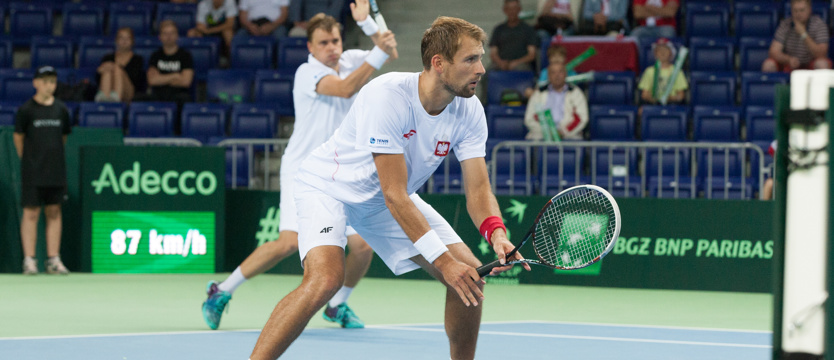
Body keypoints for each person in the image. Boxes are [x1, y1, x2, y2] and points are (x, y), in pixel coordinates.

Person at [249, 16, 526, 360]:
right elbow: (393, 192)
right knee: (325, 280)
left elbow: (478, 189)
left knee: (470, 277)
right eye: (471, 59)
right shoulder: (388, 95)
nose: (481, 68)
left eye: (480, 58)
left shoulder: (469, 110)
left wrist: (495, 233)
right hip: (330, 188)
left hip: (386, 200)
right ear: (439, 64)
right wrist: (443, 262)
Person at [201, 4, 398, 331]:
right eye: (323, 43)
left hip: (340, 171)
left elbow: (387, 48)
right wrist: (378, 48)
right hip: (303, 171)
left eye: (335, 40)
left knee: (363, 246)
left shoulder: (348, 60)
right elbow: (347, 87)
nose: (332, 48)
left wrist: (366, 23)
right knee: (288, 243)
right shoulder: (308, 73)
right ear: (310, 47)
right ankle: (221, 291)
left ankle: (337, 305)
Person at [13, 66, 72, 275]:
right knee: (31, 213)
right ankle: (29, 260)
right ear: (35, 83)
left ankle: (53, 260)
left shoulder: (61, 110)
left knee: (54, 211)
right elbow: (18, 138)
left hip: (56, 170)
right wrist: (30, 161)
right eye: (45, 81)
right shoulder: (26, 110)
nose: (49, 86)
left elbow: (63, 138)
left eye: (53, 82)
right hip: (33, 171)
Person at [523, 45, 588, 141]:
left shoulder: (575, 92)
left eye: (560, 72)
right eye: (553, 72)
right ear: (548, 75)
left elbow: (582, 118)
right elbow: (530, 118)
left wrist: (563, 132)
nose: (557, 76)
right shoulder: (539, 93)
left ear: (566, 73)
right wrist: (548, 132)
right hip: (542, 135)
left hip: (568, 136)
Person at [762, 0, 831, 72]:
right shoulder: (785, 24)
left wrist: (804, 34)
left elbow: (821, 54)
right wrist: (788, 59)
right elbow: (773, 52)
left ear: (810, 9)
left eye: (802, 10)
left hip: (811, 64)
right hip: (790, 64)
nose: (798, 14)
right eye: (795, 10)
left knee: (822, 64)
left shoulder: (819, 25)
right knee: (768, 65)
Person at [144, 20, 194, 110]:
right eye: (165, 33)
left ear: (177, 35)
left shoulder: (185, 55)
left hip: (178, 95)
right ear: (160, 37)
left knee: (184, 100)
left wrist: (161, 78)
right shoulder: (155, 55)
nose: (169, 36)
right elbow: (152, 80)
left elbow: (186, 81)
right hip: (158, 95)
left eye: (172, 33)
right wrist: (175, 76)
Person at [95, 27, 146, 103]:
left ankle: (116, 100)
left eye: (127, 38)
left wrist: (116, 68)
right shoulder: (107, 58)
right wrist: (99, 70)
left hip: (129, 91)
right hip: (109, 87)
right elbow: (98, 78)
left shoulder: (137, 59)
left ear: (132, 41)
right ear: (116, 40)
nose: (124, 41)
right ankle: (104, 100)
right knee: (107, 70)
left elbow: (136, 79)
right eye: (121, 38)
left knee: (117, 69)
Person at [489, 0, 538, 71]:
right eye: (509, 9)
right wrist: (500, 63)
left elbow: (532, 54)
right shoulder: (498, 29)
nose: (512, 12)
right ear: (505, 10)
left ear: (519, 9)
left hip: (522, 64)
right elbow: (493, 53)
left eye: (514, 8)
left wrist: (516, 63)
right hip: (500, 63)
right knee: (485, 74)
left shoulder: (528, 29)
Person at [637, 38, 687, 105]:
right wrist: (654, 99)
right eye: (659, 50)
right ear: (655, 54)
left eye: (665, 49)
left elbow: (681, 96)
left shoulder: (677, 71)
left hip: (672, 106)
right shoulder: (649, 71)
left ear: (671, 53)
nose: (662, 52)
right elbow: (644, 94)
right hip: (653, 105)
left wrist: (670, 98)